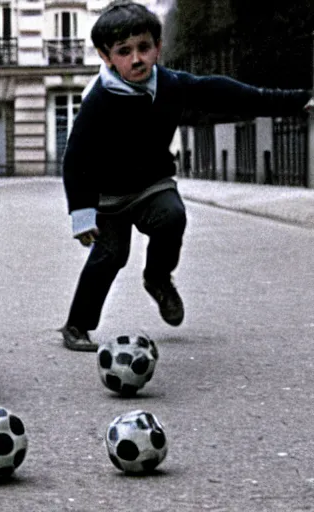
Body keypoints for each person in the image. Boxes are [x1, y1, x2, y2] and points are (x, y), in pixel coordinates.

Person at [60, 0, 313, 351]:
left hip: (151, 184)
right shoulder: (98, 102)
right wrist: (82, 213)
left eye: (144, 48)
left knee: (172, 215)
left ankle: (158, 277)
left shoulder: (171, 84)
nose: (137, 59)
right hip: (109, 197)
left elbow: (230, 94)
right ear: (106, 57)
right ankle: (77, 326)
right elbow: (76, 160)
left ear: (157, 48)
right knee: (110, 257)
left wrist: (297, 100)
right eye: (124, 51)